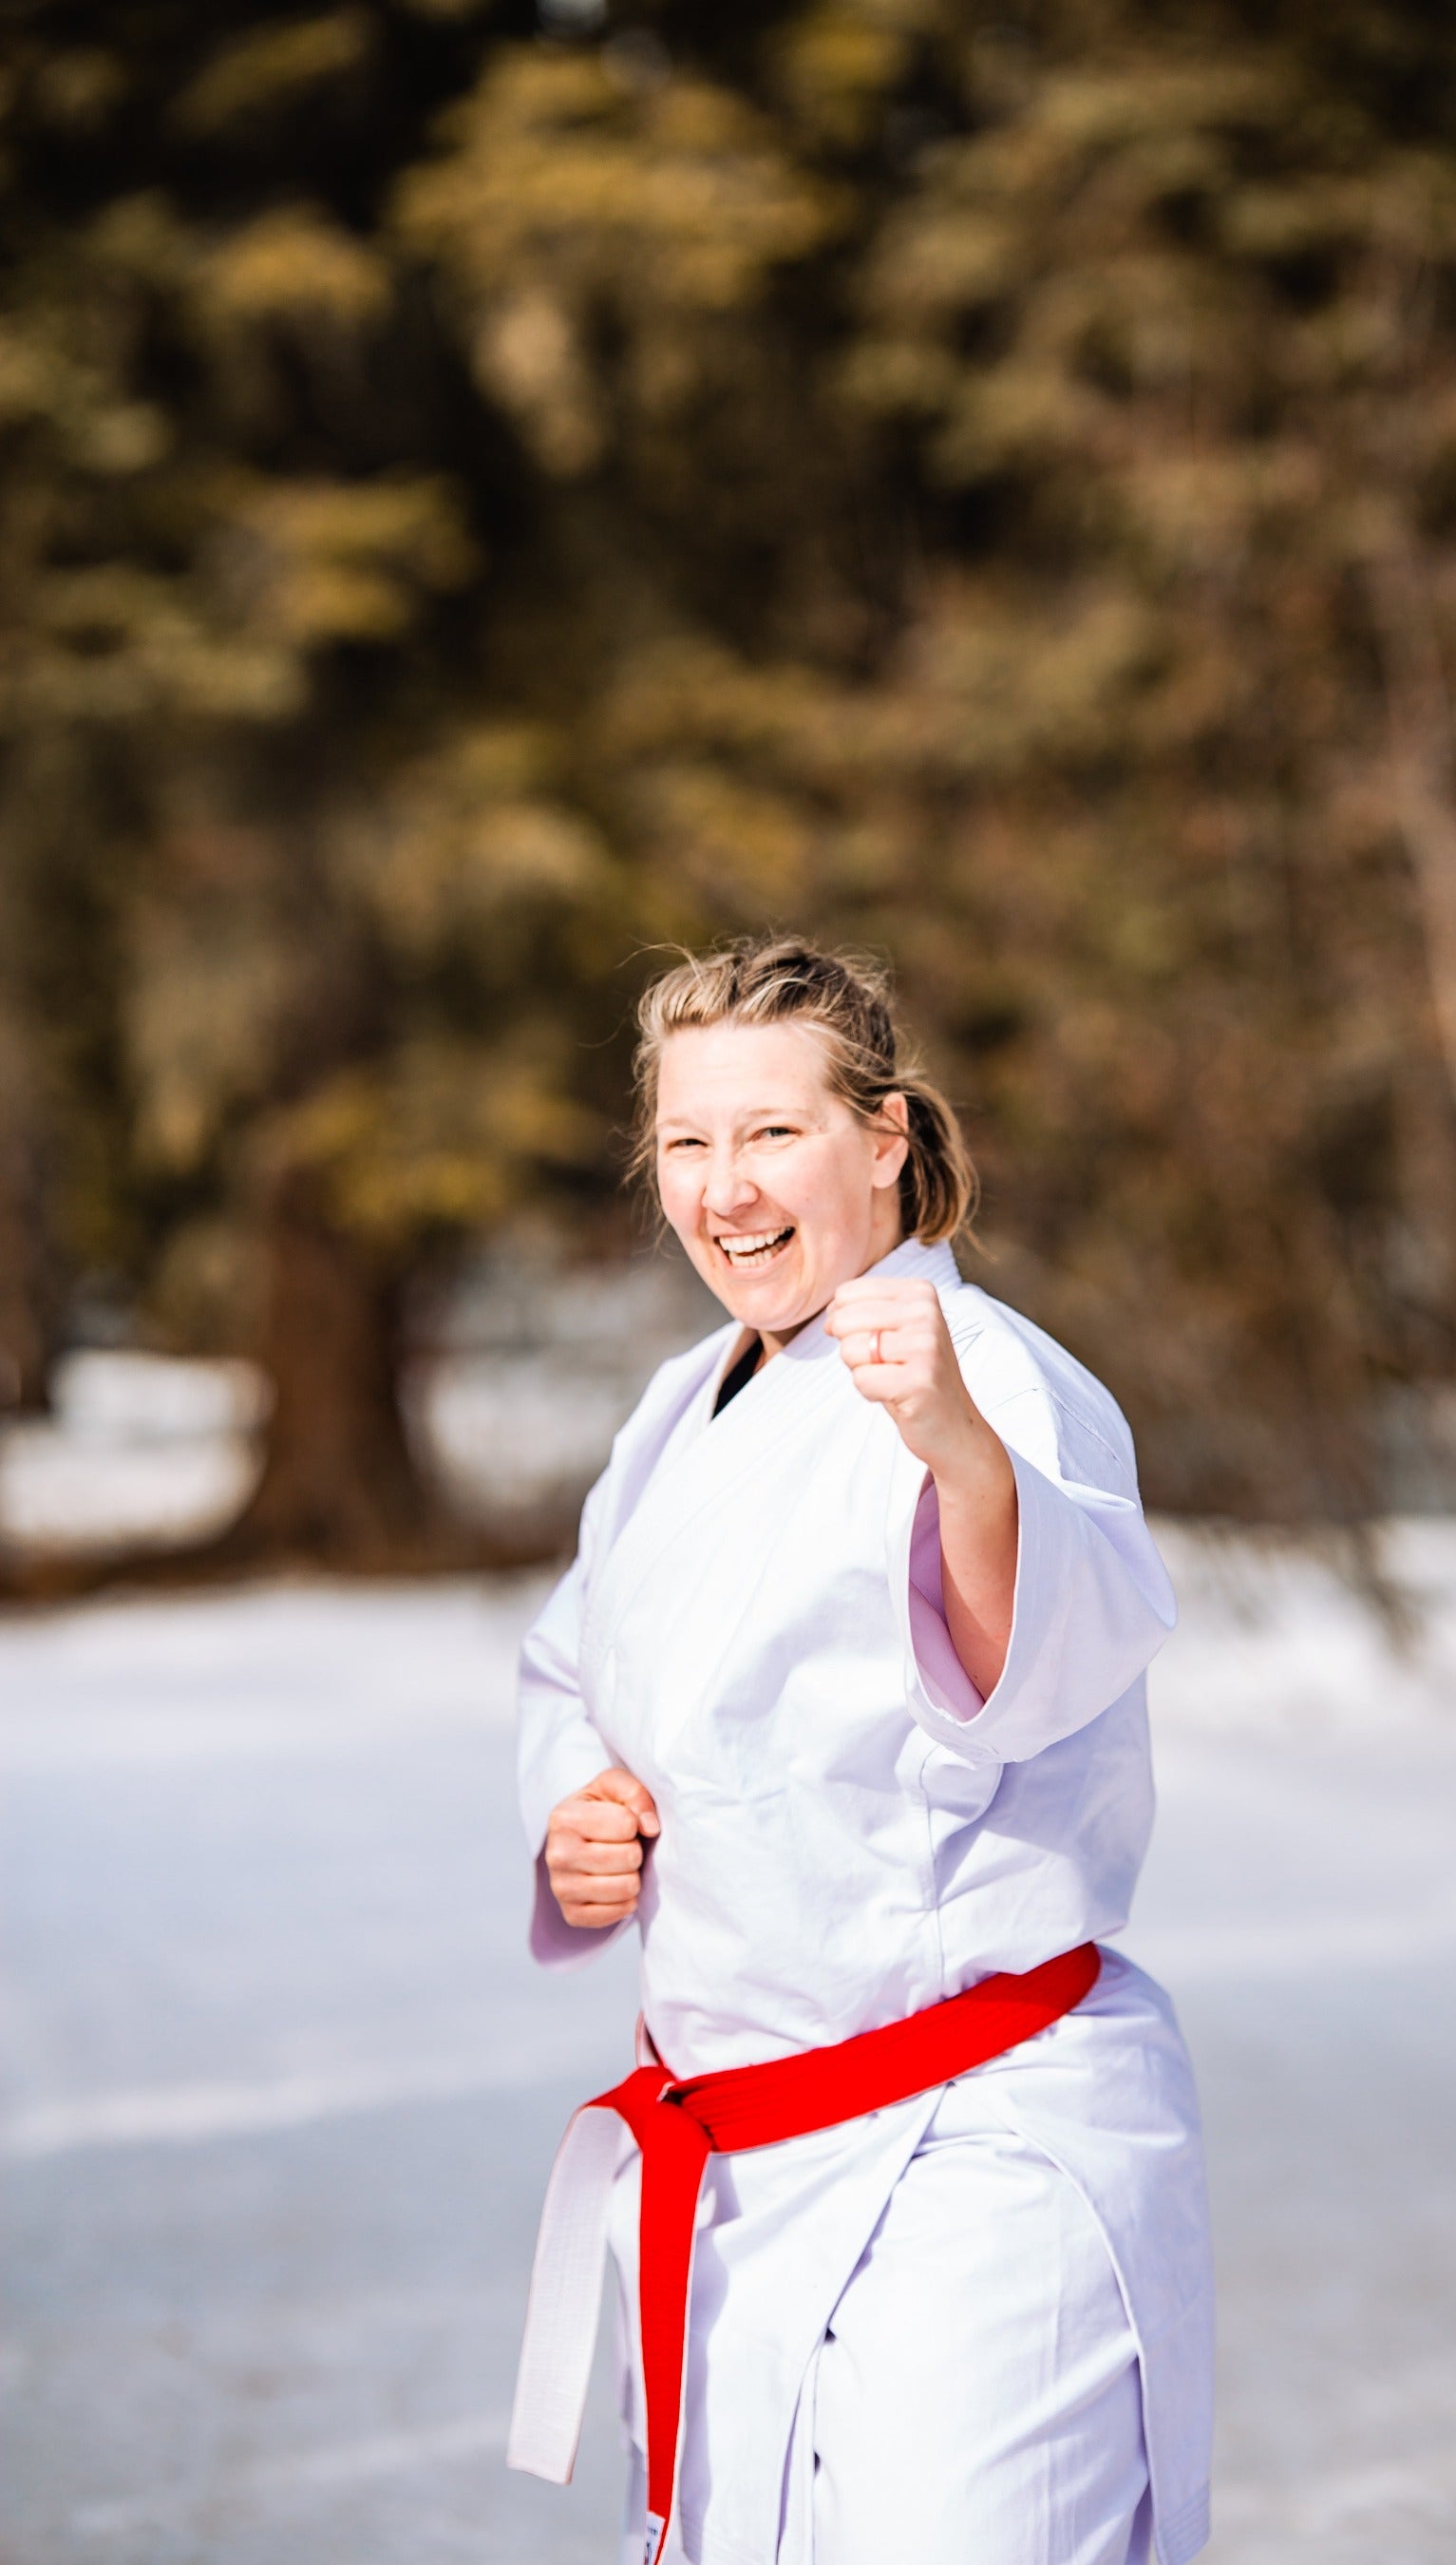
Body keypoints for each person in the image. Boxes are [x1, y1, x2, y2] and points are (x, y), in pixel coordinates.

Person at [509, 939, 1213, 2565]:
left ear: (886, 1139)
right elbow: (573, 1660)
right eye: (687, 1144)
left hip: (970, 2165)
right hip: (744, 2179)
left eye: (773, 1135)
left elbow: (1039, 1662)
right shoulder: (684, 1405)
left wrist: (962, 1460)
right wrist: (577, 1808)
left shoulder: (1002, 1383)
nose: (724, 1190)